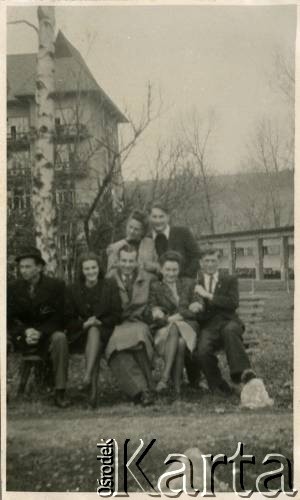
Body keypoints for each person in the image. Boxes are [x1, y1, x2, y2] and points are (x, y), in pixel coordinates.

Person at [7, 246, 69, 408]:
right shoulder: (12, 288)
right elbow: (8, 318)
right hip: (21, 336)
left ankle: (60, 391)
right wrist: (25, 331)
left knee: (60, 338)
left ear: (39, 267)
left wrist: (40, 332)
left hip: (47, 335)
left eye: (28, 267)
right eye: (21, 267)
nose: (23, 271)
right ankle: (5, 390)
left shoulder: (56, 286)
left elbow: (61, 318)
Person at [193, 247, 256, 395]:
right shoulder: (196, 282)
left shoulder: (229, 279)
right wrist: (195, 305)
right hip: (209, 326)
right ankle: (218, 385)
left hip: (229, 321)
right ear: (201, 263)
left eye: (213, 260)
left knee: (230, 331)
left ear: (219, 261)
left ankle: (241, 376)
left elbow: (233, 303)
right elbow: (196, 308)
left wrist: (208, 295)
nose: (210, 264)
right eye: (206, 261)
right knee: (202, 350)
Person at [64, 252, 122, 406]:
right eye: (87, 269)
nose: (91, 272)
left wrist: (99, 322)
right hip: (81, 334)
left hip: (106, 331)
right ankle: (90, 389)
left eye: (94, 267)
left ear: (99, 268)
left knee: (95, 332)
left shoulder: (110, 285)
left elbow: (117, 314)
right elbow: (67, 318)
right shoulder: (73, 289)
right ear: (81, 271)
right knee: (92, 335)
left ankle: (88, 382)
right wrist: (84, 324)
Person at [145, 251, 203, 396]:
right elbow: (152, 313)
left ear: (179, 269)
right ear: (161, 269)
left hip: (189, 328)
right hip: (164, 331)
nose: (171, 273)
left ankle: (164, 379)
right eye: (168, 270)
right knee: (180, 342)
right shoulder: (155, 286)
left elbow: (198, 308)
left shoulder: (189, 283)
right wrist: (159, 315)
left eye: (175, 270)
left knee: (177, 326)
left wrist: (176, 316)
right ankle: (177, 389)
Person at [105, 245, 155, 406]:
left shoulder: (147, 278)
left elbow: (154, 301)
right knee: (115, 350)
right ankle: (142, 390)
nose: (127, 265)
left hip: (139, 321)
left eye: (131, 261)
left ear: (136, 262)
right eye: (124, 261)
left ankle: (146, 390)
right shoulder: (109, 278)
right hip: (117, 323)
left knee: (139, 340)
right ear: (118, 261)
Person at [149, 202, 200, 278]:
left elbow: (196, 257)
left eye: (161, 217)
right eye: (154, 217)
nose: (158, 221)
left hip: (183, 283)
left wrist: (185, 279)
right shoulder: (147, 239)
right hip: (157, 286)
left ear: (168, 217)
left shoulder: (183, 233)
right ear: (149, 218)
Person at [106, 210, 158, 276]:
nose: (132, 231)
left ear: (143, 231)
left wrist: (152, 267)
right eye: (130, 227)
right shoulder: (115, 247)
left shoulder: (150, 243)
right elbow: (109, 274)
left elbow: (158, 267)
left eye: (136, 229)